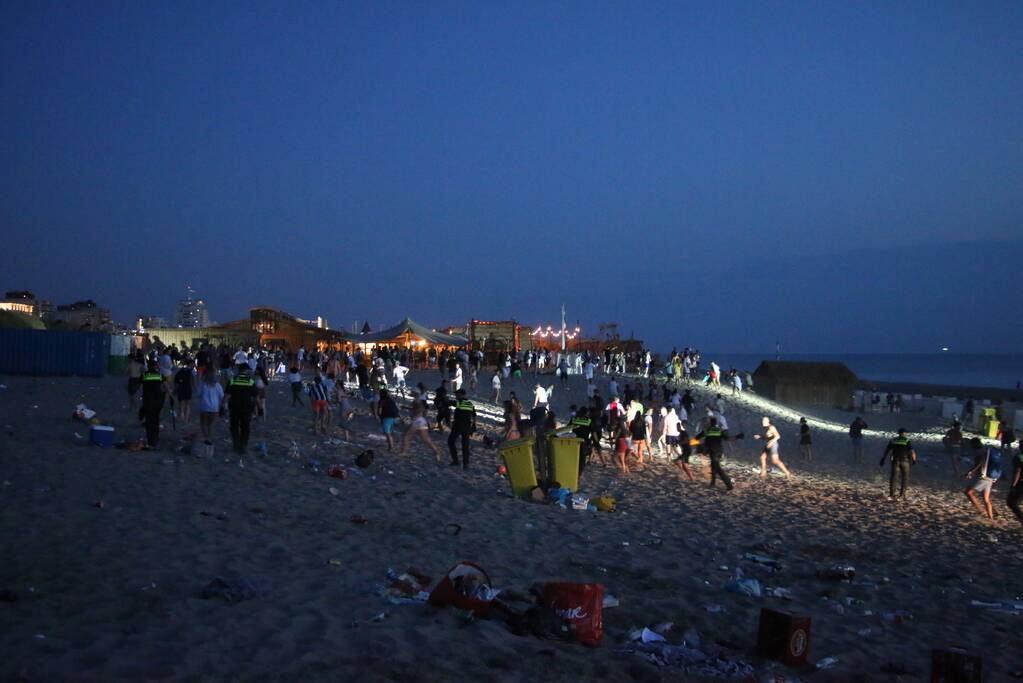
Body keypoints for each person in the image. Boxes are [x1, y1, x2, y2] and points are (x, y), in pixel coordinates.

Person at [225, 364, 258, 457]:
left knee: (234, 426)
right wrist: (259, 407)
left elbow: (227, 394)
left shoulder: (233, 379)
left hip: (234, 406)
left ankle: (236, 443)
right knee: (245, 427)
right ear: (246, 370)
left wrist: (222, 405)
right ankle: (243, 445)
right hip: (247, 407)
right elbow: (255, 396)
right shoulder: (250, 381)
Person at [964, 445, 1003, 521]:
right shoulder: (993, 454)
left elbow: (980, 463)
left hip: (984, 478)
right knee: (986, 499)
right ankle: (990, 517)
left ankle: (981, 511)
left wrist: (971, 472)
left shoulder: (982, 453)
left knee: (969, 492)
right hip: (991, 478)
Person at [695, 418, 734, 491]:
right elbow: (727, 438)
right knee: (714, 466)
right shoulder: (719, 430)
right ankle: (713, 483)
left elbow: (697, 437)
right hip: (719, 451)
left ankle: (729, 485)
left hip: (713, 452)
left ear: (710, 423)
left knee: (718, 469)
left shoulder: (707, 430)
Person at [139, 361, 171, 448]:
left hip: (148, 401)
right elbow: (167, 387)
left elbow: (139, 385)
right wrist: (169, 397)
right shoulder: (160, 375)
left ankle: (151, 441)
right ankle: (155, 440)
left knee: (149, 421)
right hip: (158, 401)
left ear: (148, 367)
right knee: (156, 420)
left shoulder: (145, 375)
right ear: (156, 367)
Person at [879, 428, 916, 499]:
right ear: (904, 433)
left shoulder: (893, 440)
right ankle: (902, 495)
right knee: (905, 478)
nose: (907, 434)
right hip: (905, 461)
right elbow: (912, 452)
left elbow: (887, 450)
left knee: (893, 478)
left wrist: (883, 459)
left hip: (895, 461)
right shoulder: (907, 440)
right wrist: (914, 460)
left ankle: (892, 494)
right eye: (906, 433)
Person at [196, 367, 224, 448]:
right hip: (214, 407)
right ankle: (209, 437)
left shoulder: (203, 384)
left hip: (204, 406)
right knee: (211, 424)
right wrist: (223, 406)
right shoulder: (217, 385)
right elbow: (222, 396)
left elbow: (198, 394)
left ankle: (206, 437)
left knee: (203, 423)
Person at [448, 389, 476, 469]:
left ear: (461, 394)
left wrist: (446, 401)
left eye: (457, 394)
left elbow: (451, 403)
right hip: (467, 426)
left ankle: (455, 460)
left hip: (458, 425)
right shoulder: (470, 404)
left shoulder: (459, 402)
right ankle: (465, 463)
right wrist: (473, 425)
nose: (456, 396)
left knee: (451, 441)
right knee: (465, 445)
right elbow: (474, 415)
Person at [1007, 439, 1023, 524]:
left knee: (1011, 502)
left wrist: (1013, 485)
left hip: (1020, 483)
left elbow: (1017, 472)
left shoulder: (1019, 457)